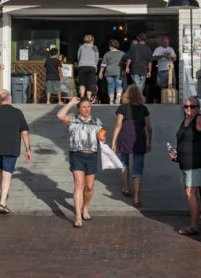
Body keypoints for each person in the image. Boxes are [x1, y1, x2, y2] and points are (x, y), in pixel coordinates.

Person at [172, 95, 201, 236]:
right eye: (186, 106)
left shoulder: (199, 120)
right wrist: (176, 152)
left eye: (192, 106)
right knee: (190, 192)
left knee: (190, 192)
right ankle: (194, 221)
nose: (188, 109)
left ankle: (194, 225)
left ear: (198, 108)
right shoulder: (185, 120)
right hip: (184, 162)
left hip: (195, 162)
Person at [57, 97, 104, 228]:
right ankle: (78, 216)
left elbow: (101, 137)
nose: (86, 109)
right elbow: (60, 116)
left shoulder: (97, 121)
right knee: (79, 185)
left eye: (88, 106)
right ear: (79, 109)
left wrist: (102, 138)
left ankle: (85, 208)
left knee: (89, 188)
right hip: (77, 154)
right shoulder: (73, 119)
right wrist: (71, 103)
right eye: (83, 107)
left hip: (92, 155)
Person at [110, 84, 151, 208]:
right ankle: (137, 197)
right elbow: (149, 127)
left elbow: (118, 125)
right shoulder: (144, 108)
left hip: (125, 137)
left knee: (124, 162)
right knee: (138, 167)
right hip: (139, 138)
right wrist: (150, 142)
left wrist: (113, 141)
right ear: (139, 95)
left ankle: (127, 188)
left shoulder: (122, 108)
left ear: (126, 95)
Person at [125, 33, 153, 102]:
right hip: (143, 70)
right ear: (145, 40)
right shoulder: (148, 49)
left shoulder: (133, 47)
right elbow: (150, 62)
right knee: (140, 87)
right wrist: (149, 71)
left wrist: (127, 67)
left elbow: (129, 59)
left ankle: (137, 100)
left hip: (135, 69)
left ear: (138, 39)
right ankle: (139, 100)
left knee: (137, 86)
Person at [99, 39, 126, 104]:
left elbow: (103, 64)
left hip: (109, 72)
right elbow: (125, 62)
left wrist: (101, 72)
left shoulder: (107, 54)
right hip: (118, 71)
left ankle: (111, 100)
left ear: (111, 46)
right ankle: (118, 96)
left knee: (110, 86)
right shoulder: (122, 53)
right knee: (119, 85)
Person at [76, 35, 100, 102]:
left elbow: (78, 56)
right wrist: (95, 65)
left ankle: (82, 98)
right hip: (91, 67)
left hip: (82, 66)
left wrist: (81, 62)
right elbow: (97, 58)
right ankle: (88, 98)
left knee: (82, 83)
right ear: (92, 40)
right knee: (90, 83)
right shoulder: (95, 47)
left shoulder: (81, 47)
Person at [152, 36, 177, 101]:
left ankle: (172, 99)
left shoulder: (171, 49)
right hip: (162, 69)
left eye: (167, 42)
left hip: (170, 69)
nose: (167, 43)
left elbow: (175, 59)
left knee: (172, 84)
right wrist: (162, 55)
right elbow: (153, 58)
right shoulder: (158, 49)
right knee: (162, 85)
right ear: (162, 42)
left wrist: (170, 57)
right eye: (165, 42)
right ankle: (164, 99)